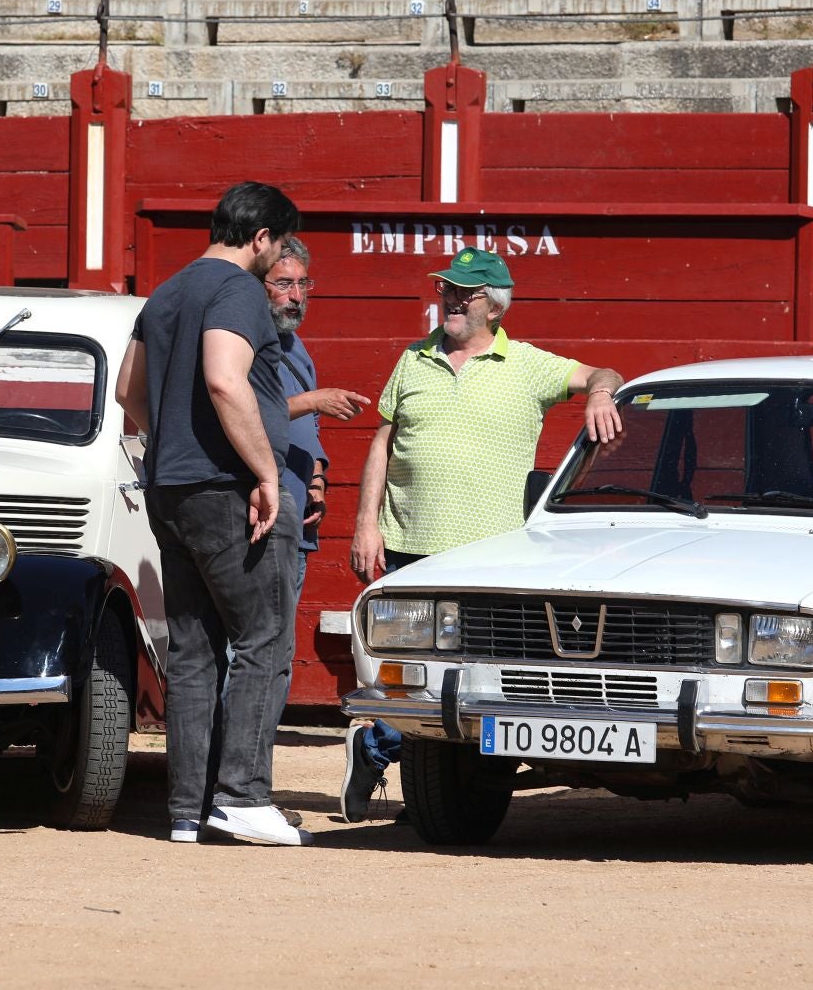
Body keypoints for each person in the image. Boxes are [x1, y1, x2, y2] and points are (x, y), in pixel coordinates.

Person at [340, 247, 624, 822]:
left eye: (461, 293)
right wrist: (365, 522)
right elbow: (381, 441)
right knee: (414, 683)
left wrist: (598, 394)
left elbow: (604, 374)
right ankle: (403, 763)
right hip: (410, 549)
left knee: (483, 683)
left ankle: (383, 750)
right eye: (445, 288)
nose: (447, 298)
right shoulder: (413, 359)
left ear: (492, 307)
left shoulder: (527, 364)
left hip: (494, 560)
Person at [114, 180, 310, 846]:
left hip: (171, 492)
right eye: (278, 246)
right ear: (261, 239)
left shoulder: (166, 291)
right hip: (226, 489)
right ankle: (243, 796)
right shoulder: (237, 292)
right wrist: (263, 472)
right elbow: (226, 378)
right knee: (264, 638)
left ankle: (186, 811)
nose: (277, 259)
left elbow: (126, 390)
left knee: (195, 652)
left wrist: (174, 443)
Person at [264, 236, 367, 720]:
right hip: (263, 512)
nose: (297, 295)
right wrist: (313, 400)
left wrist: (319, 479)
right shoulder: (244, 342)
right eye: (284, 283)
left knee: (280, 647)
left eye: (304, 283)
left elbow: (310, 429)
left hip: (300, 516)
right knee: (259, 650)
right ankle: (230, 775)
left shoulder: (294, 344)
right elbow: (239, 413)